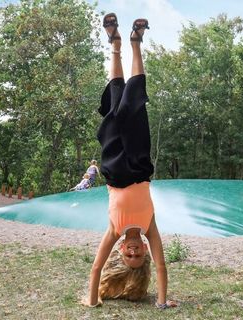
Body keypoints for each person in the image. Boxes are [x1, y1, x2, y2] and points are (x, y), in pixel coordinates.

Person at [81, 13, 177, 310]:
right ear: (144, 251)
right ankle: (136, 43)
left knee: (113, 103)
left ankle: (115, 44)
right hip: (138, 163)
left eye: (128, 256)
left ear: (121, 250)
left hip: (112, 165)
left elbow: (96, 269)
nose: (134, 253)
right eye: (138, 256)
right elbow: (161, 268)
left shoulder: (114, 230)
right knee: (134, 103)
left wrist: (92, 299)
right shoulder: (150, 227)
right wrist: (161, 302)